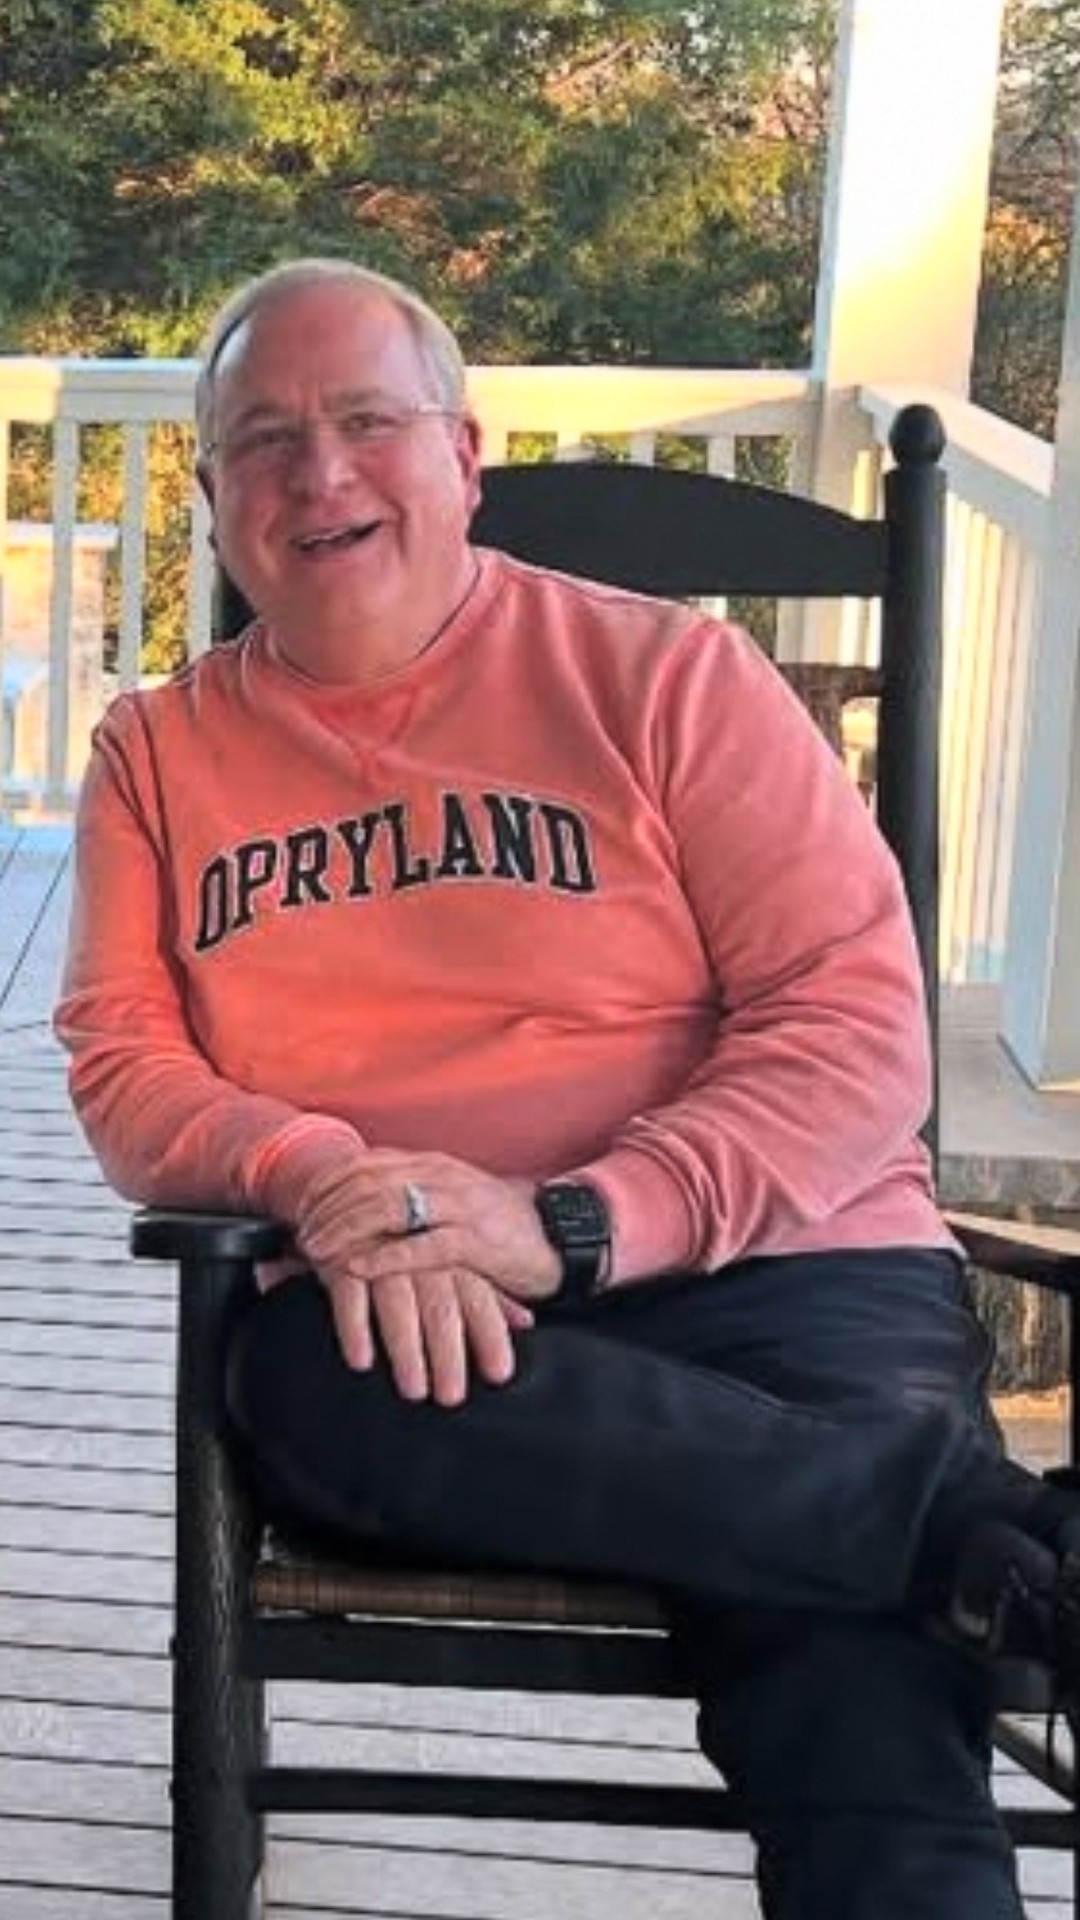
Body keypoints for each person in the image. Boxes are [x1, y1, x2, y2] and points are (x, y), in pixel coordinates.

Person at [55, 256, 1080, 1920]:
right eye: (264, 440)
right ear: (214, 495)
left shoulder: (669, 677)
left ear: (463, 455)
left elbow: (850, 1022)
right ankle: (988, 1538)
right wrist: (323, 1173)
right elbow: (123, 1058)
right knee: (301, 1379)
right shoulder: (161, 751)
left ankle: (954, 1553)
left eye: (367, 421)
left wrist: (582, 1222)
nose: (320, 474)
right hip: (429, 1316)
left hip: (783, 1268)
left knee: (852, 1672)